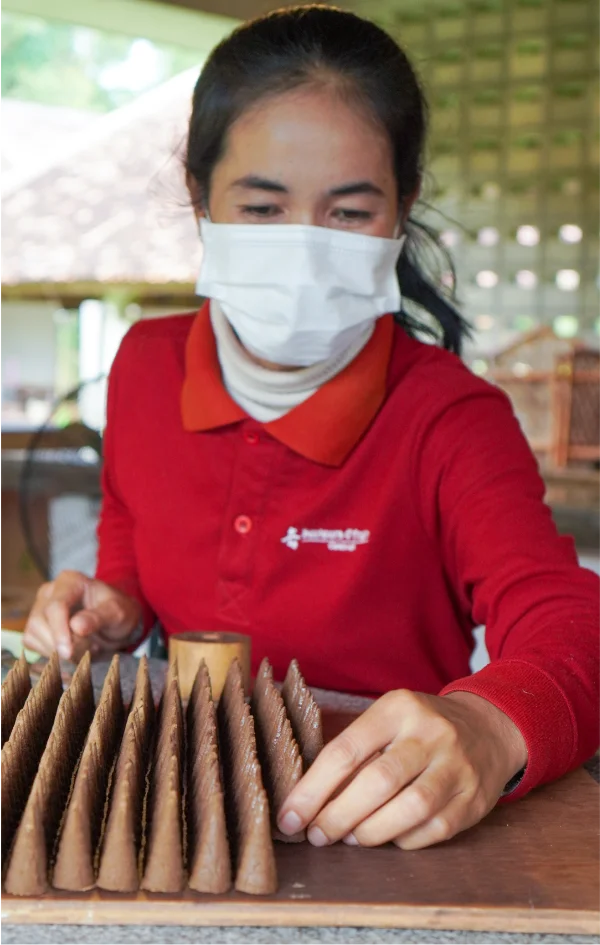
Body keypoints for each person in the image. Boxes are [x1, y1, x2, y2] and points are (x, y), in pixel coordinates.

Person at [24, 5, 600, 852]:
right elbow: (133, 549)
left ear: (401, 209)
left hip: (376, 823)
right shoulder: (145, 366)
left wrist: (489, 723)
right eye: (262, 209)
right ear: (200, 199)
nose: (301, 246)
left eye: (347, 212)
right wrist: (116, 607)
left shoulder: (448, 414)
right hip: (180, 809)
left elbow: (568, 620)